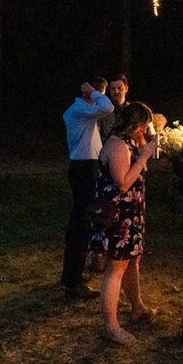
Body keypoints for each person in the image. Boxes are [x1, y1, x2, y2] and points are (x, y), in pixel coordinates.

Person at [90, 101, 158, 344]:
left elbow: (141, 171)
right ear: (134, 124)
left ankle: (137, 307)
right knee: (116, 269)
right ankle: (111, 326)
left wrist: (143, 150)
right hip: (119, 217)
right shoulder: (117, 146)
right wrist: (143, 157)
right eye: (143, 127)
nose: (145, 131)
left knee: (131, 263)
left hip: (130, 214)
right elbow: (123, 183)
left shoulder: (129, 143)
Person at [61, 77, 114, 300]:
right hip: (83, 168)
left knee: (82, 222)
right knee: (81, 224)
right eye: (97, 92)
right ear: (88, 93)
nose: (98, 97)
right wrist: (94, 93)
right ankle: (72, 283)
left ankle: (72, 274)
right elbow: (108, 107)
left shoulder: (83, 111)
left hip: (86, 166)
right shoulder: (80, 109)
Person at [98, 74, 130, 142]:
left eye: (119, 88)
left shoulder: (133, 110)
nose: (116, 91)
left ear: (126, 88)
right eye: (113, 89)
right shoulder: (102, 110)